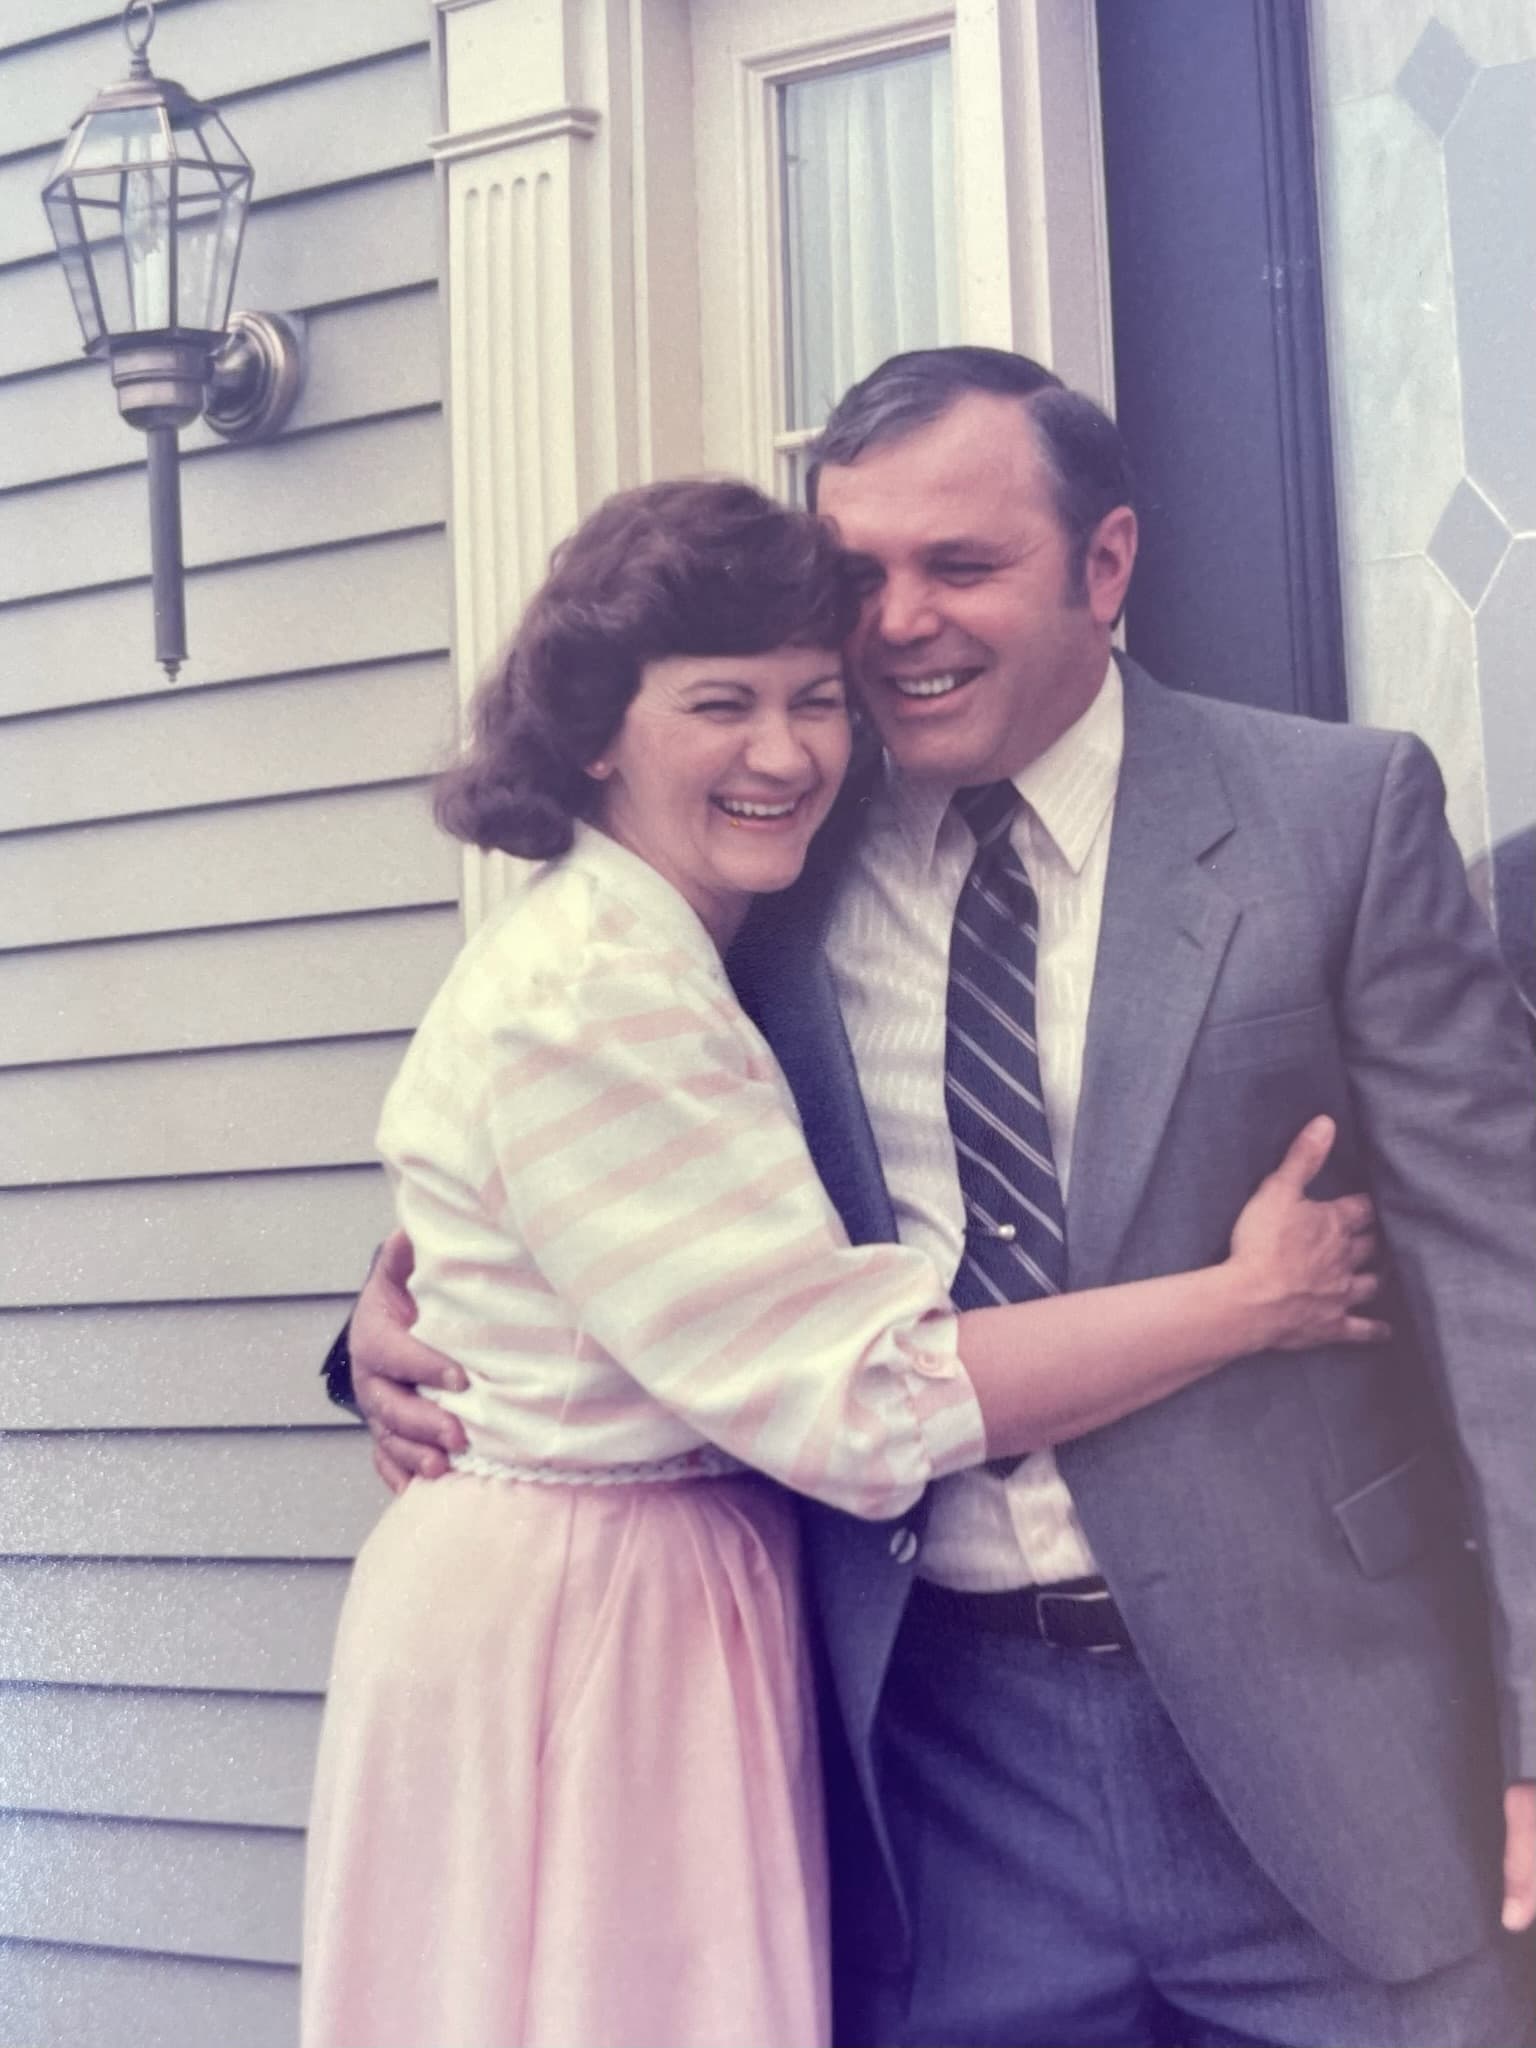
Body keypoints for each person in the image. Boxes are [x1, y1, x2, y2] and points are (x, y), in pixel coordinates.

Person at [336, 354, 1536, 2047]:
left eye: (958, 567)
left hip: (1327, 1758)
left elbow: (1508, 1295)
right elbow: (573, 1144)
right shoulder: (762, 842)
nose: (893, 628)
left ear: (1103, 567)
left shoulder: (1329, 820)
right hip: (930, 1776)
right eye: (861, 576)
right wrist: (386, 1329)